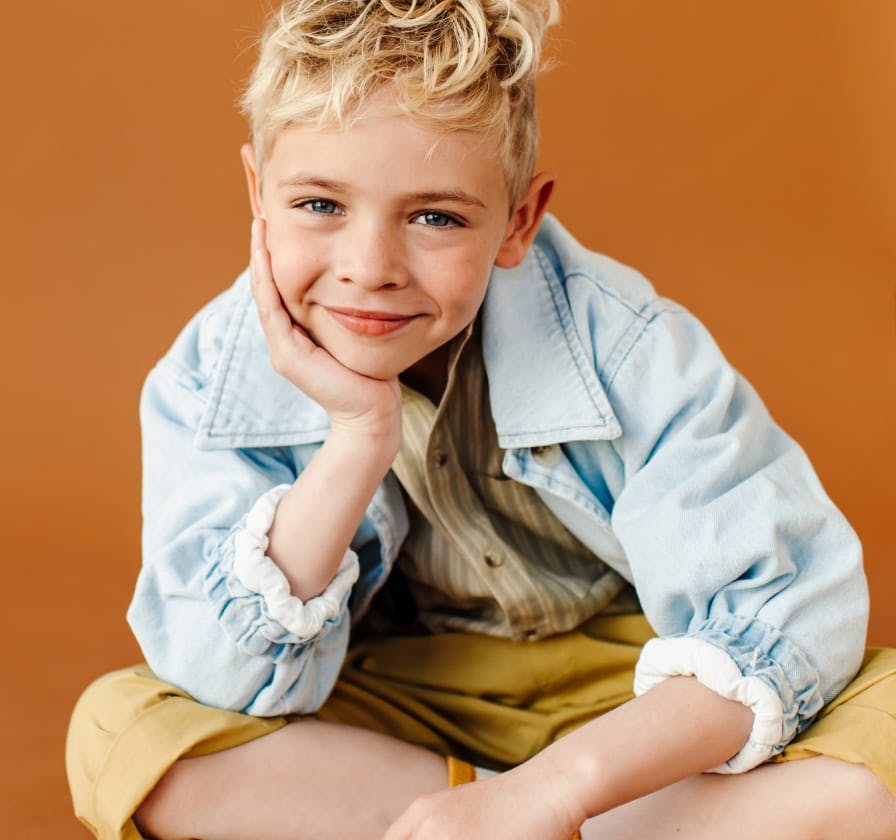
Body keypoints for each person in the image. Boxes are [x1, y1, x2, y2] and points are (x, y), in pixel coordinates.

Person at [66, 2, 896, 838]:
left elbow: (786, 611)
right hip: (395, 699)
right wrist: (358, 437)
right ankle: (569, 822)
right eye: (320, 204)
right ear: (258, 191)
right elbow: (220, 671)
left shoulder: (629, 345)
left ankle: (531, 818)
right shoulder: (210, 374)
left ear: (518, 221)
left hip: (631, 694)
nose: (371, 268)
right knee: (123, 733)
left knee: (884, 736)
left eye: (436, 217)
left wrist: (556, 790)